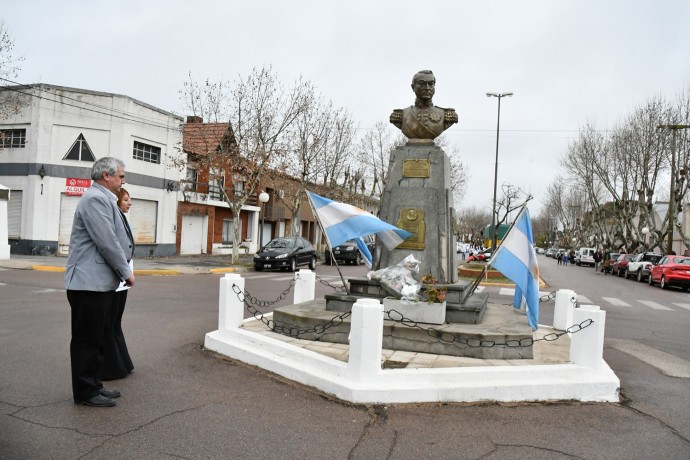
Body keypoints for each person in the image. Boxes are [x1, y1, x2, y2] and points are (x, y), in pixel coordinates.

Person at [65, 157, 135, 407]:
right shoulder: (95, 199)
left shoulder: (105, 198)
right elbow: (107, 241)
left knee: (96, 337)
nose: (123, 180)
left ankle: (93, 384)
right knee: (86, 339)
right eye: (121, 176)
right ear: (106, 175)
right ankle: (84, 392)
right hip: (87, 284)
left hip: (97, 284)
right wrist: (125, 271)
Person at [100, 187, 135, 381]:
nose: (129, 203)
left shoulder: (122, 218)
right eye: (126, 200)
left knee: (113, 323)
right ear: (117, 202)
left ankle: (119, 365)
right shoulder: (116, 219)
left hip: (122, 279)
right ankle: (118, 365)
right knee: (111, 323)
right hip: (118, 278)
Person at [390, 70, 458, 140]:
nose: (427, 88)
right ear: (413, 87)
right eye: (422, 84)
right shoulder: (401, 115)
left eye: (431, 84)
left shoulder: (446, 115)